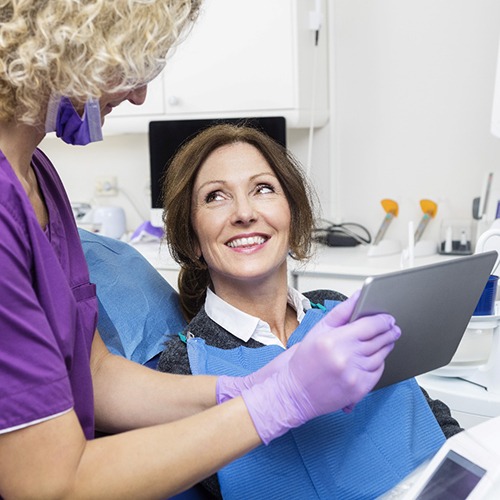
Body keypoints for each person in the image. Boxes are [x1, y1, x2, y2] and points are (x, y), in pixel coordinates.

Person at [0, 1, 402, 498]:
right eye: (132, 62)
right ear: (73, 44)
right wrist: (278, 400)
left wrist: (252, 385)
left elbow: (94, 372)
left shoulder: (38, 177)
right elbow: (47, 485)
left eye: (263, 189)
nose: (142, 94)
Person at [157, 123, 463, 499]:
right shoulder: (182, 366)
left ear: (293, 215)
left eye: (263, 188)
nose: (244, 212)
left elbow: (426, 413)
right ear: (192, 238)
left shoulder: (339, 306)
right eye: (216, 196)